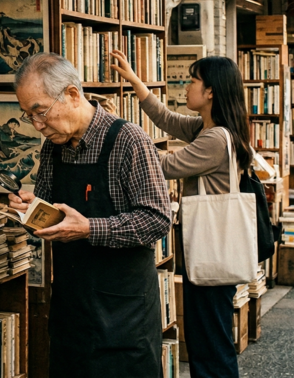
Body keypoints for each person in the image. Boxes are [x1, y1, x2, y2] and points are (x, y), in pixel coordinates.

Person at [8, 53, 171, 378]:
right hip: (72, 310)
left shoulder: (129, 140)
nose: (38, 126)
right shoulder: (53, 147)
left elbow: (157, 218)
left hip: (125, 316)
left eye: (41, 112)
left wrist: (89, 229)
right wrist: (34, 209)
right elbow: (52, 209)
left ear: (71, 94)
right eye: (29, 116)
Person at [110, 48, 246, 378]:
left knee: (211, 344)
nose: (186, 87)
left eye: (193, 80)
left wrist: (112, 134)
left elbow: (163, 166)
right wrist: (136, 82)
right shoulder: (208, 128)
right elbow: (167, 119)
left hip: (212, 251)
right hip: (210, 248)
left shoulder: (215, 138)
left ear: (210, 91)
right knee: (207, 340)